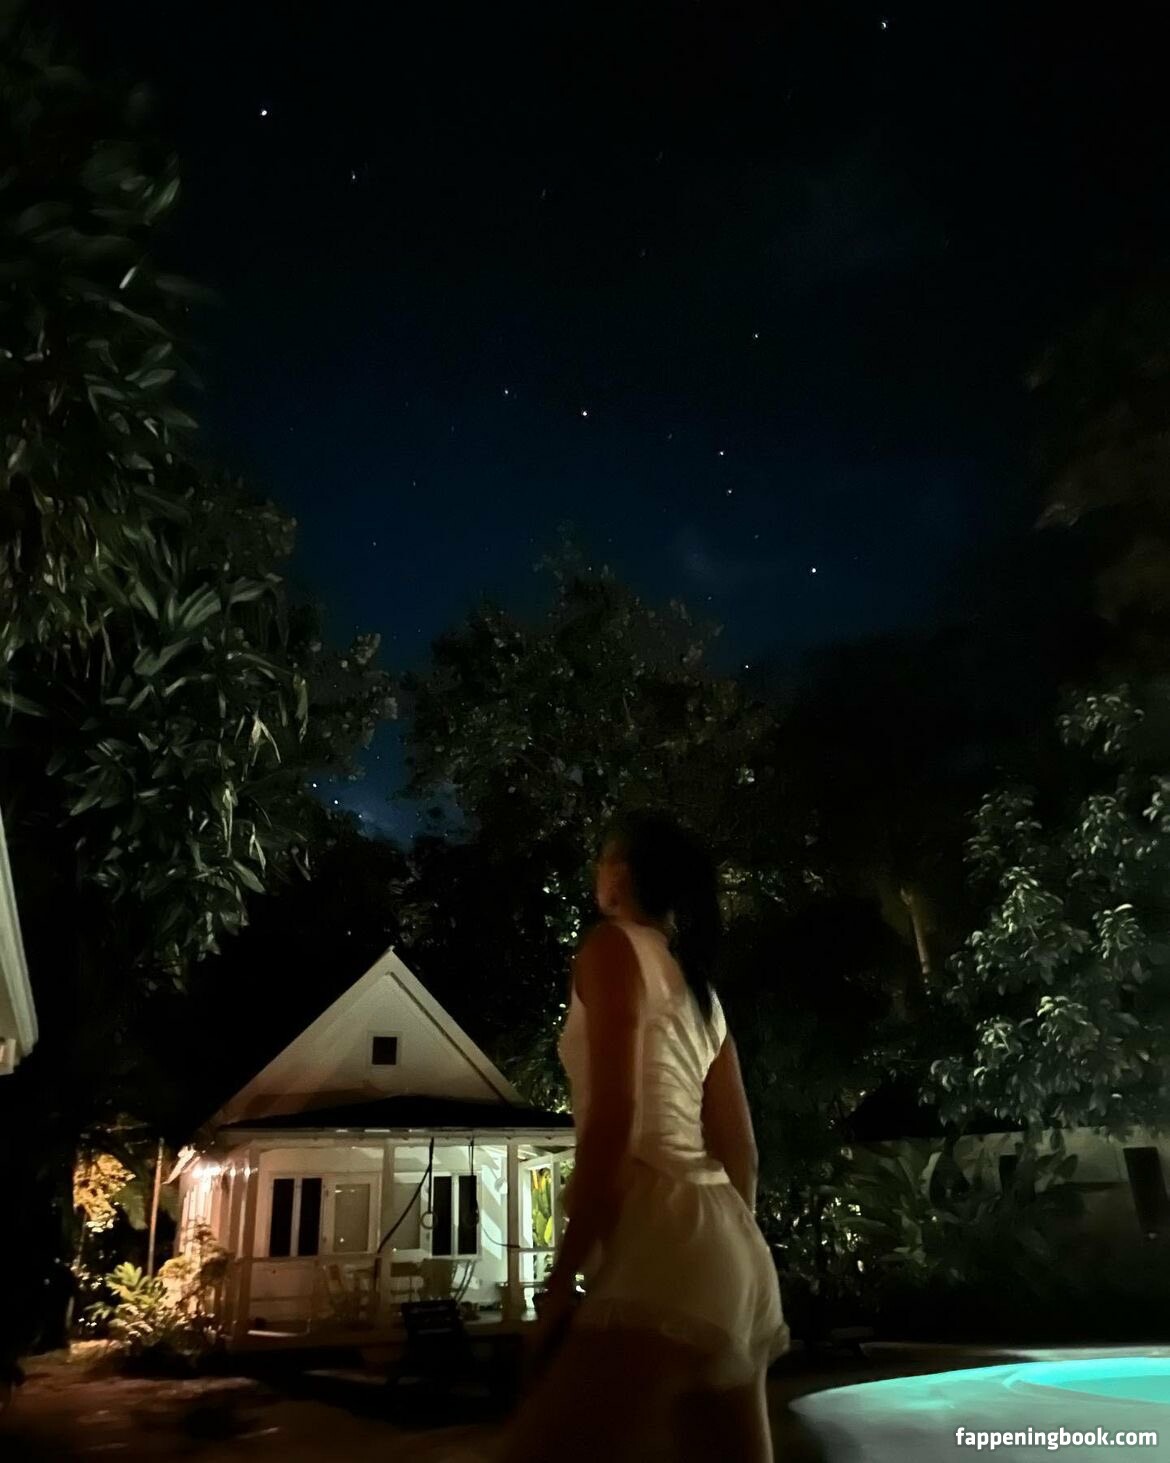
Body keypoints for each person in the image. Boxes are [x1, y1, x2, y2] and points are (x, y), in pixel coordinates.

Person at [496, 810, 788, 1463]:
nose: (595, 871)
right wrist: (725, 1257)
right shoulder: (702, 993)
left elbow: (613, 1118)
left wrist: (562, 1282)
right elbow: (741, 1152)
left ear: (621, 875)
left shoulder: (610, 948)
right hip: (729, 1252)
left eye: (602, 857)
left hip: (663, 1247)